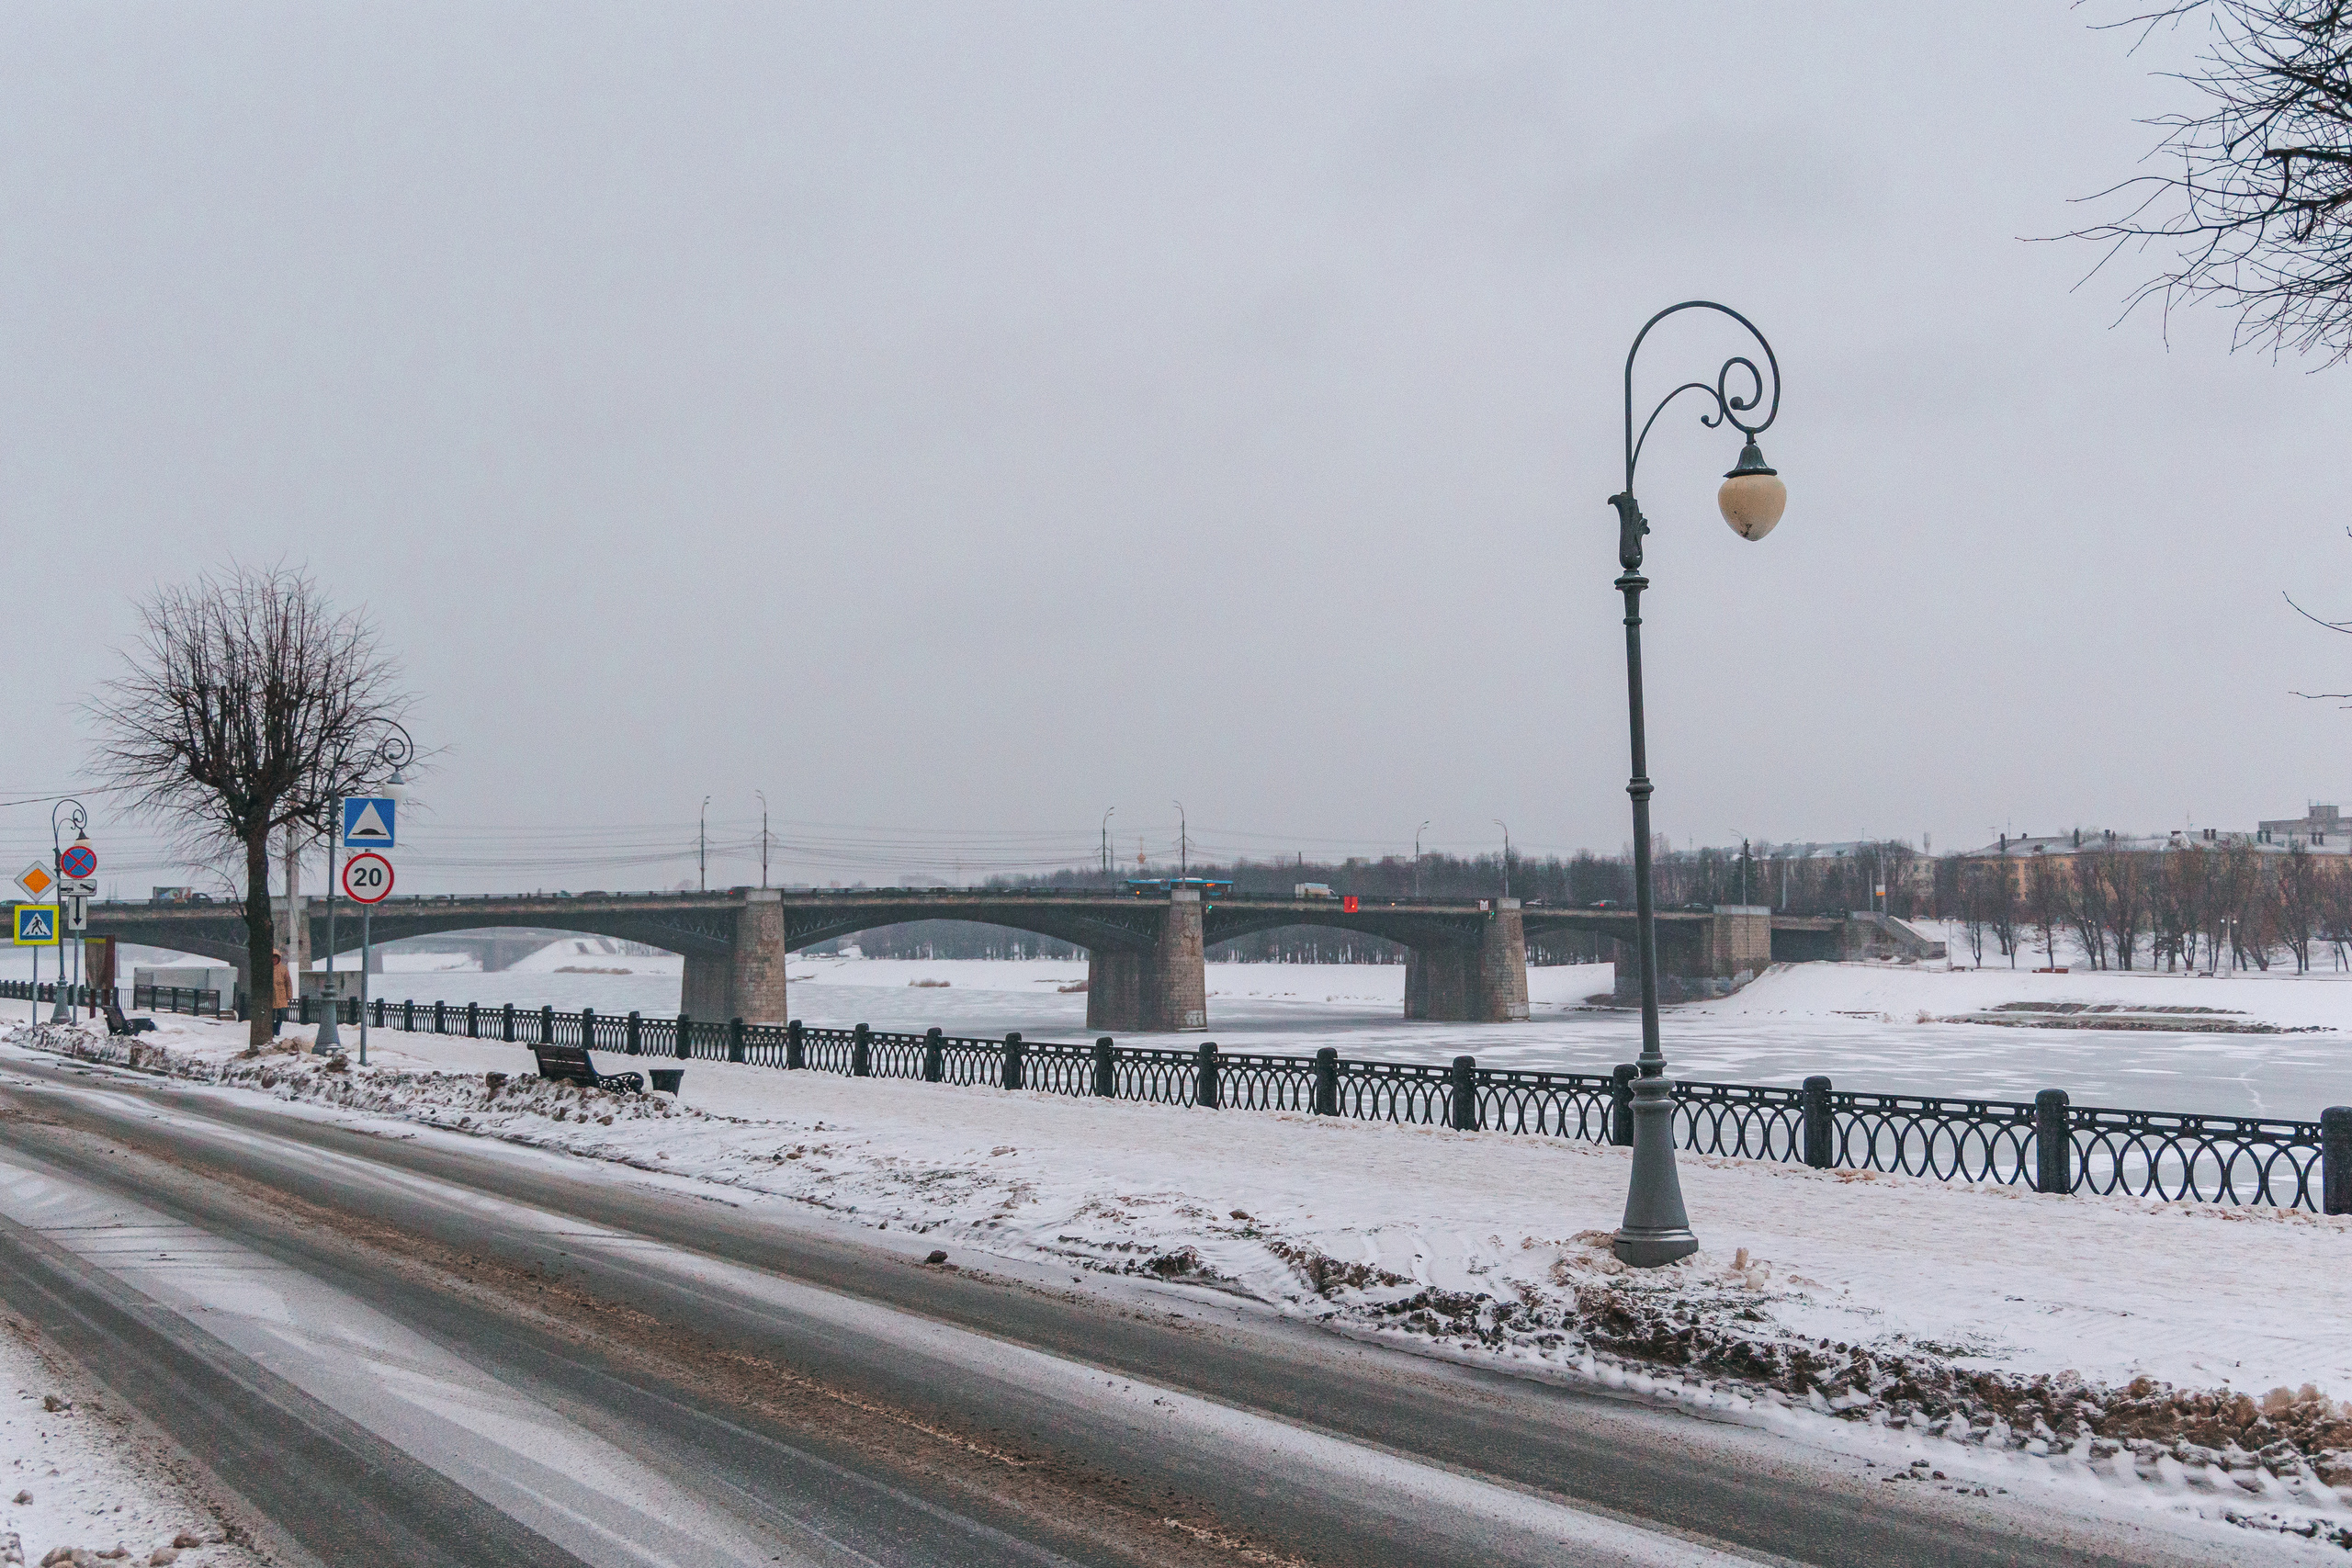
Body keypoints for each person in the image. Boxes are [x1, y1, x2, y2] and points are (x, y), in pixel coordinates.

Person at [270, 948, 292, 1037]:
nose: (274, 959)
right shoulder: (267, 969)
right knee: (271, 1014)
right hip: (271, 995)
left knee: (282, 1013)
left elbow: (288, 983)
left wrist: (289, 994)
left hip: (281, 994)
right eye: (272, 957)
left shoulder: (283, 969)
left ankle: (277, 1027)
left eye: (276, 957)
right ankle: (272, 1030)